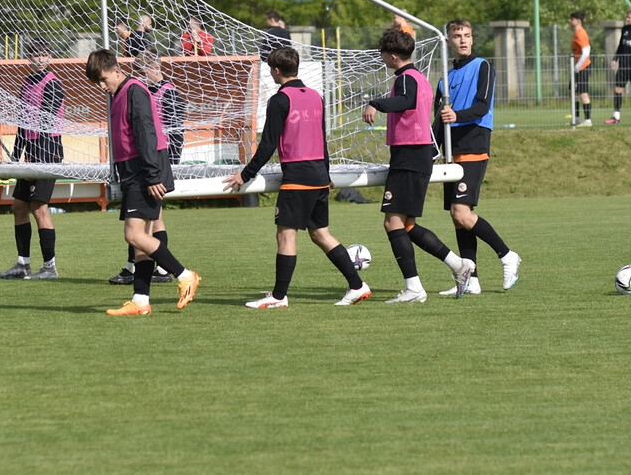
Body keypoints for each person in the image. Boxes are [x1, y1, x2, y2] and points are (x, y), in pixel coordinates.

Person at [222, 47, 371, 308]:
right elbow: (322, 139)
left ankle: (279, 297)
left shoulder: (280, 100)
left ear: (276, 71)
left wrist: (244, 175)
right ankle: (357, 286)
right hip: (318, 175)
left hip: (298, 176)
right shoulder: (315, 96)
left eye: (271, 69)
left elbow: (267, 144)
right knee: (320, 234)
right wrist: (326, 172)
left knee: (286, 236)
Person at [362, 28, 475, 303]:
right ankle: (458, 265)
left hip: (410, 155)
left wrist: (375, 103)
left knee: (392, 222)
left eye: (383, 56)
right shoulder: (419, 77)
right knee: (406, 225)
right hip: (416, 154)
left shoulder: (405, 79)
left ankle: (414, 288)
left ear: (391, 56)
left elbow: (405, 101)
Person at [85, 48, 201, 315]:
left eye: (104, 79)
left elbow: (146, 133)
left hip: (145, 171)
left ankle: (185, 276)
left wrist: (151, 176)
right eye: (97, 83)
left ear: (116, 69)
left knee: (133, 235)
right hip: (134, 172)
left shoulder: (134, 90)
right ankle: (140, 301)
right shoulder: (116, 94)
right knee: (142, 240)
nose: (102, 86)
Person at [432, 19, 521, 296]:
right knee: (457, 217)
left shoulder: (482, 66)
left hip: (473, 145)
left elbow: (482, 107)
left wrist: (457, 116)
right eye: (457, 36)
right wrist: (428, 150)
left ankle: (507, 255)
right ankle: (472, 280)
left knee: (462, 212)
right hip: (451, 153)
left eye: (467, 36)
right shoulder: (443, 79)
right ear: (448, 41)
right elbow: (438, 122)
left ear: (472, 39)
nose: (463, 40)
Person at [108, 50, 185, 286]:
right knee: (152, 222)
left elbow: (172, 130)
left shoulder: (167, 92)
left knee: (143, 227)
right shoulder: (137, 90)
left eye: (143, 72)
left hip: (154, 162)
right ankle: (146, 281)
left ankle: (168, 270)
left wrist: (167, 162)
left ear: (155, 68)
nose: (140, 76)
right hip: (148, 161)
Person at [0, 39, 64, 280]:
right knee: (18, 207)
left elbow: (45, 124)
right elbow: (23, 123)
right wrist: (16, 158)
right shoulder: (27, 83)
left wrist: (34, 163)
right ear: (29, 58)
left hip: (47, 153)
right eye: (35, 54)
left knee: (39, 208)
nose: (39, 58)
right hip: (30, 154)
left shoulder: (53, 84)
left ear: (49, 57)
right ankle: (22, 264)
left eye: (44, 54)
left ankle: (50, 267)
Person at [569, 11, 592, 127]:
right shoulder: (576, 33)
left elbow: (586, 52)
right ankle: (576, 117)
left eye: (572, 19)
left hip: (582, 67)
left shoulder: (580, 33)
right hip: (577, 68)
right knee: (572, 91)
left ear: (578, 21)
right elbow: (589, 47)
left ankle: (588, 120)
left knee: (583, 93)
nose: (570, 21)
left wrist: (578, 66)